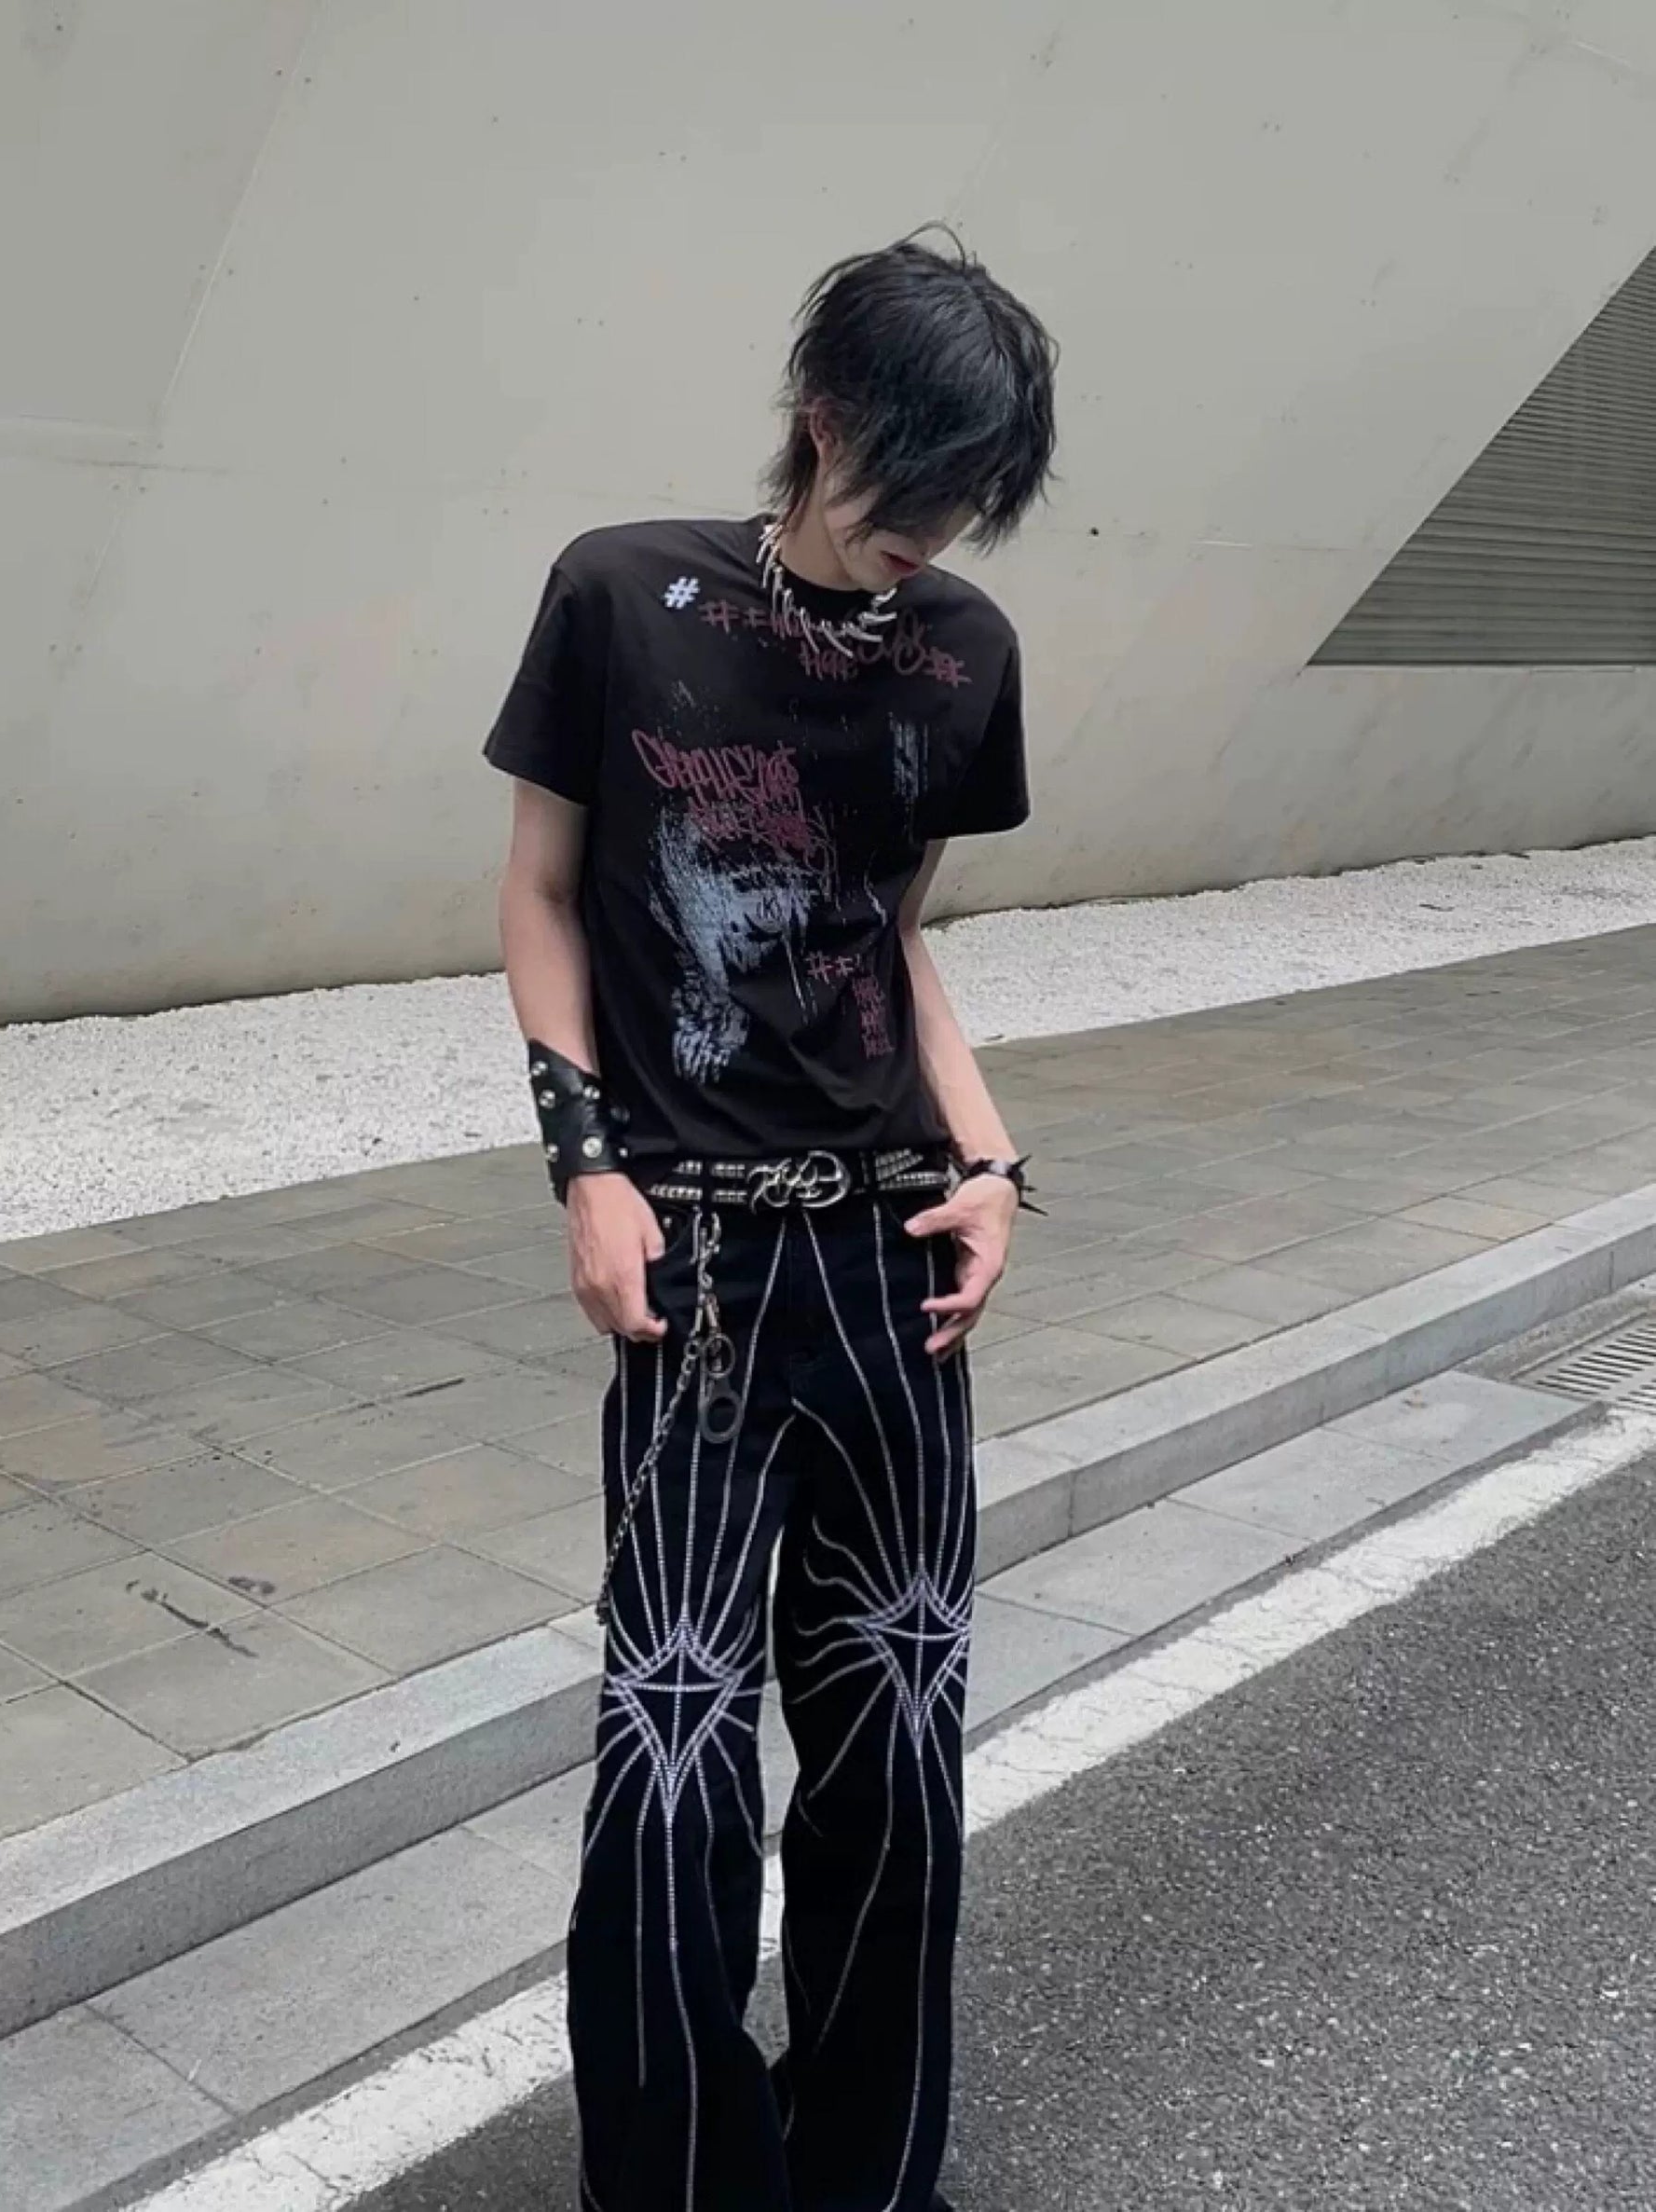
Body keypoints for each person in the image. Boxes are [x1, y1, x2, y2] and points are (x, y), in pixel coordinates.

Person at [485, 227, 1058, 2212]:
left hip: (891, 1263)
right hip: (699, 1276)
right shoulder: (619, 595)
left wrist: (989, 1160)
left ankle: (867, 2177)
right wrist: (586, 1166)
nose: (935, 530)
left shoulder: (965, 651)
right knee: (672, 1761)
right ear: (822, 415)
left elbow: (889, 938)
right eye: (917, 480)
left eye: (972, 497)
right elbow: (539, 896)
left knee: (896, 1752)